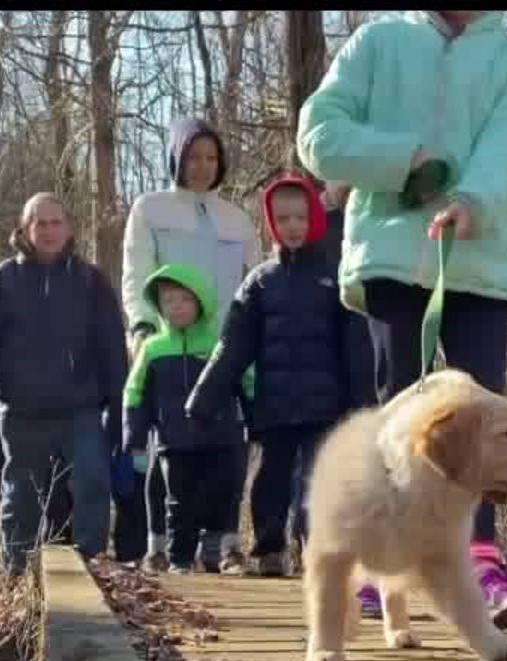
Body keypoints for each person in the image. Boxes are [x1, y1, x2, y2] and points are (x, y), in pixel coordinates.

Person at [296, 9, 507, 629]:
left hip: (480, 262)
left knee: (490, 420)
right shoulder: (378, 41)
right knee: (396, 409)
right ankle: (383, 567)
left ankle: (482, 560)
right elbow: (319, 133)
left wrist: (472, 199)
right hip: (389, 257)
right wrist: (402, 157)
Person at [187, 173, 373, 576]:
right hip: (273, 408)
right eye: (284, 218)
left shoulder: (335, 278)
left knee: (314, 481)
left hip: (325, 407)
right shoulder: (260, 282)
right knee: (268, 481)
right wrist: (204, 397)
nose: (292, 226)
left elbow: (356, 348)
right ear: (272, 223)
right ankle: (269, 549)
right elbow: (233, 346)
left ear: (314, 221)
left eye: (300, 218)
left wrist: (363, 407)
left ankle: (315, 551)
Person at [118, 117, 259, 572]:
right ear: (176, 159)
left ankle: (225, 544)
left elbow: (252, 279)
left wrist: (253, 340)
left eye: (210, 158)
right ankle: (160, 547)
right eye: (193, 157)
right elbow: (137, 272)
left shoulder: (236, 219)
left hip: (223, 348)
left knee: (228, 454)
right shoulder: (151, 209)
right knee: (167, 451)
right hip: (167, 345)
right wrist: (140, 327)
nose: (202, 166)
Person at [0, 193, 129, 576]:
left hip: (82, 410)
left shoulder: (91, 281)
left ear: (69, 229)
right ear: (25, 230)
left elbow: (111, 349)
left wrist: (120, 407)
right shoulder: (2, 282)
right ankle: (16, 575)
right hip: (23, 413)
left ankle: (94, 569)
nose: (50, 231)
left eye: (57, 222)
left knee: (92, 485)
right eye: (41, 223)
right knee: (20, 499)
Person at [121, 264, 244, 573]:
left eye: (184, 300)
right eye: (168, 301)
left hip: (220, 438)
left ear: (201, 302)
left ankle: (216, 553)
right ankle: (180, 559)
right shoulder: (153, 348)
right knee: (178, 502)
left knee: (222, 493)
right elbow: (134, 393)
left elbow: (247, 380)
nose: (176, 307)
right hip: (173, 442)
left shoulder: (220, 343)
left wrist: (256, 419)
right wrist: (134, 435)